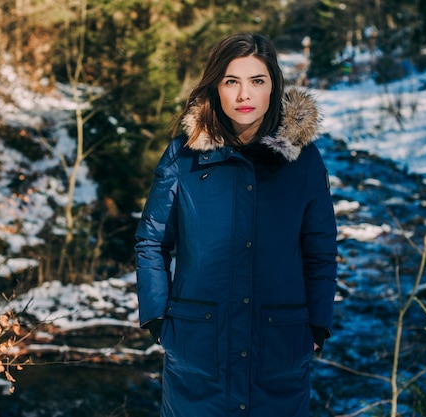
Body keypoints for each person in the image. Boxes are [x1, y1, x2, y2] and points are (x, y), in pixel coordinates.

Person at [134, 33, 338, 417]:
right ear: (217, 88)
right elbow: (152, 242)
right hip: (197, 355)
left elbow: (321, 252)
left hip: (280, 354)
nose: (245, 94)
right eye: (232, 81)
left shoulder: (304, 161)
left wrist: (317, 326)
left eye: (257, 81)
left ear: (274, 87)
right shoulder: (183, 156)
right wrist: (158, 318)